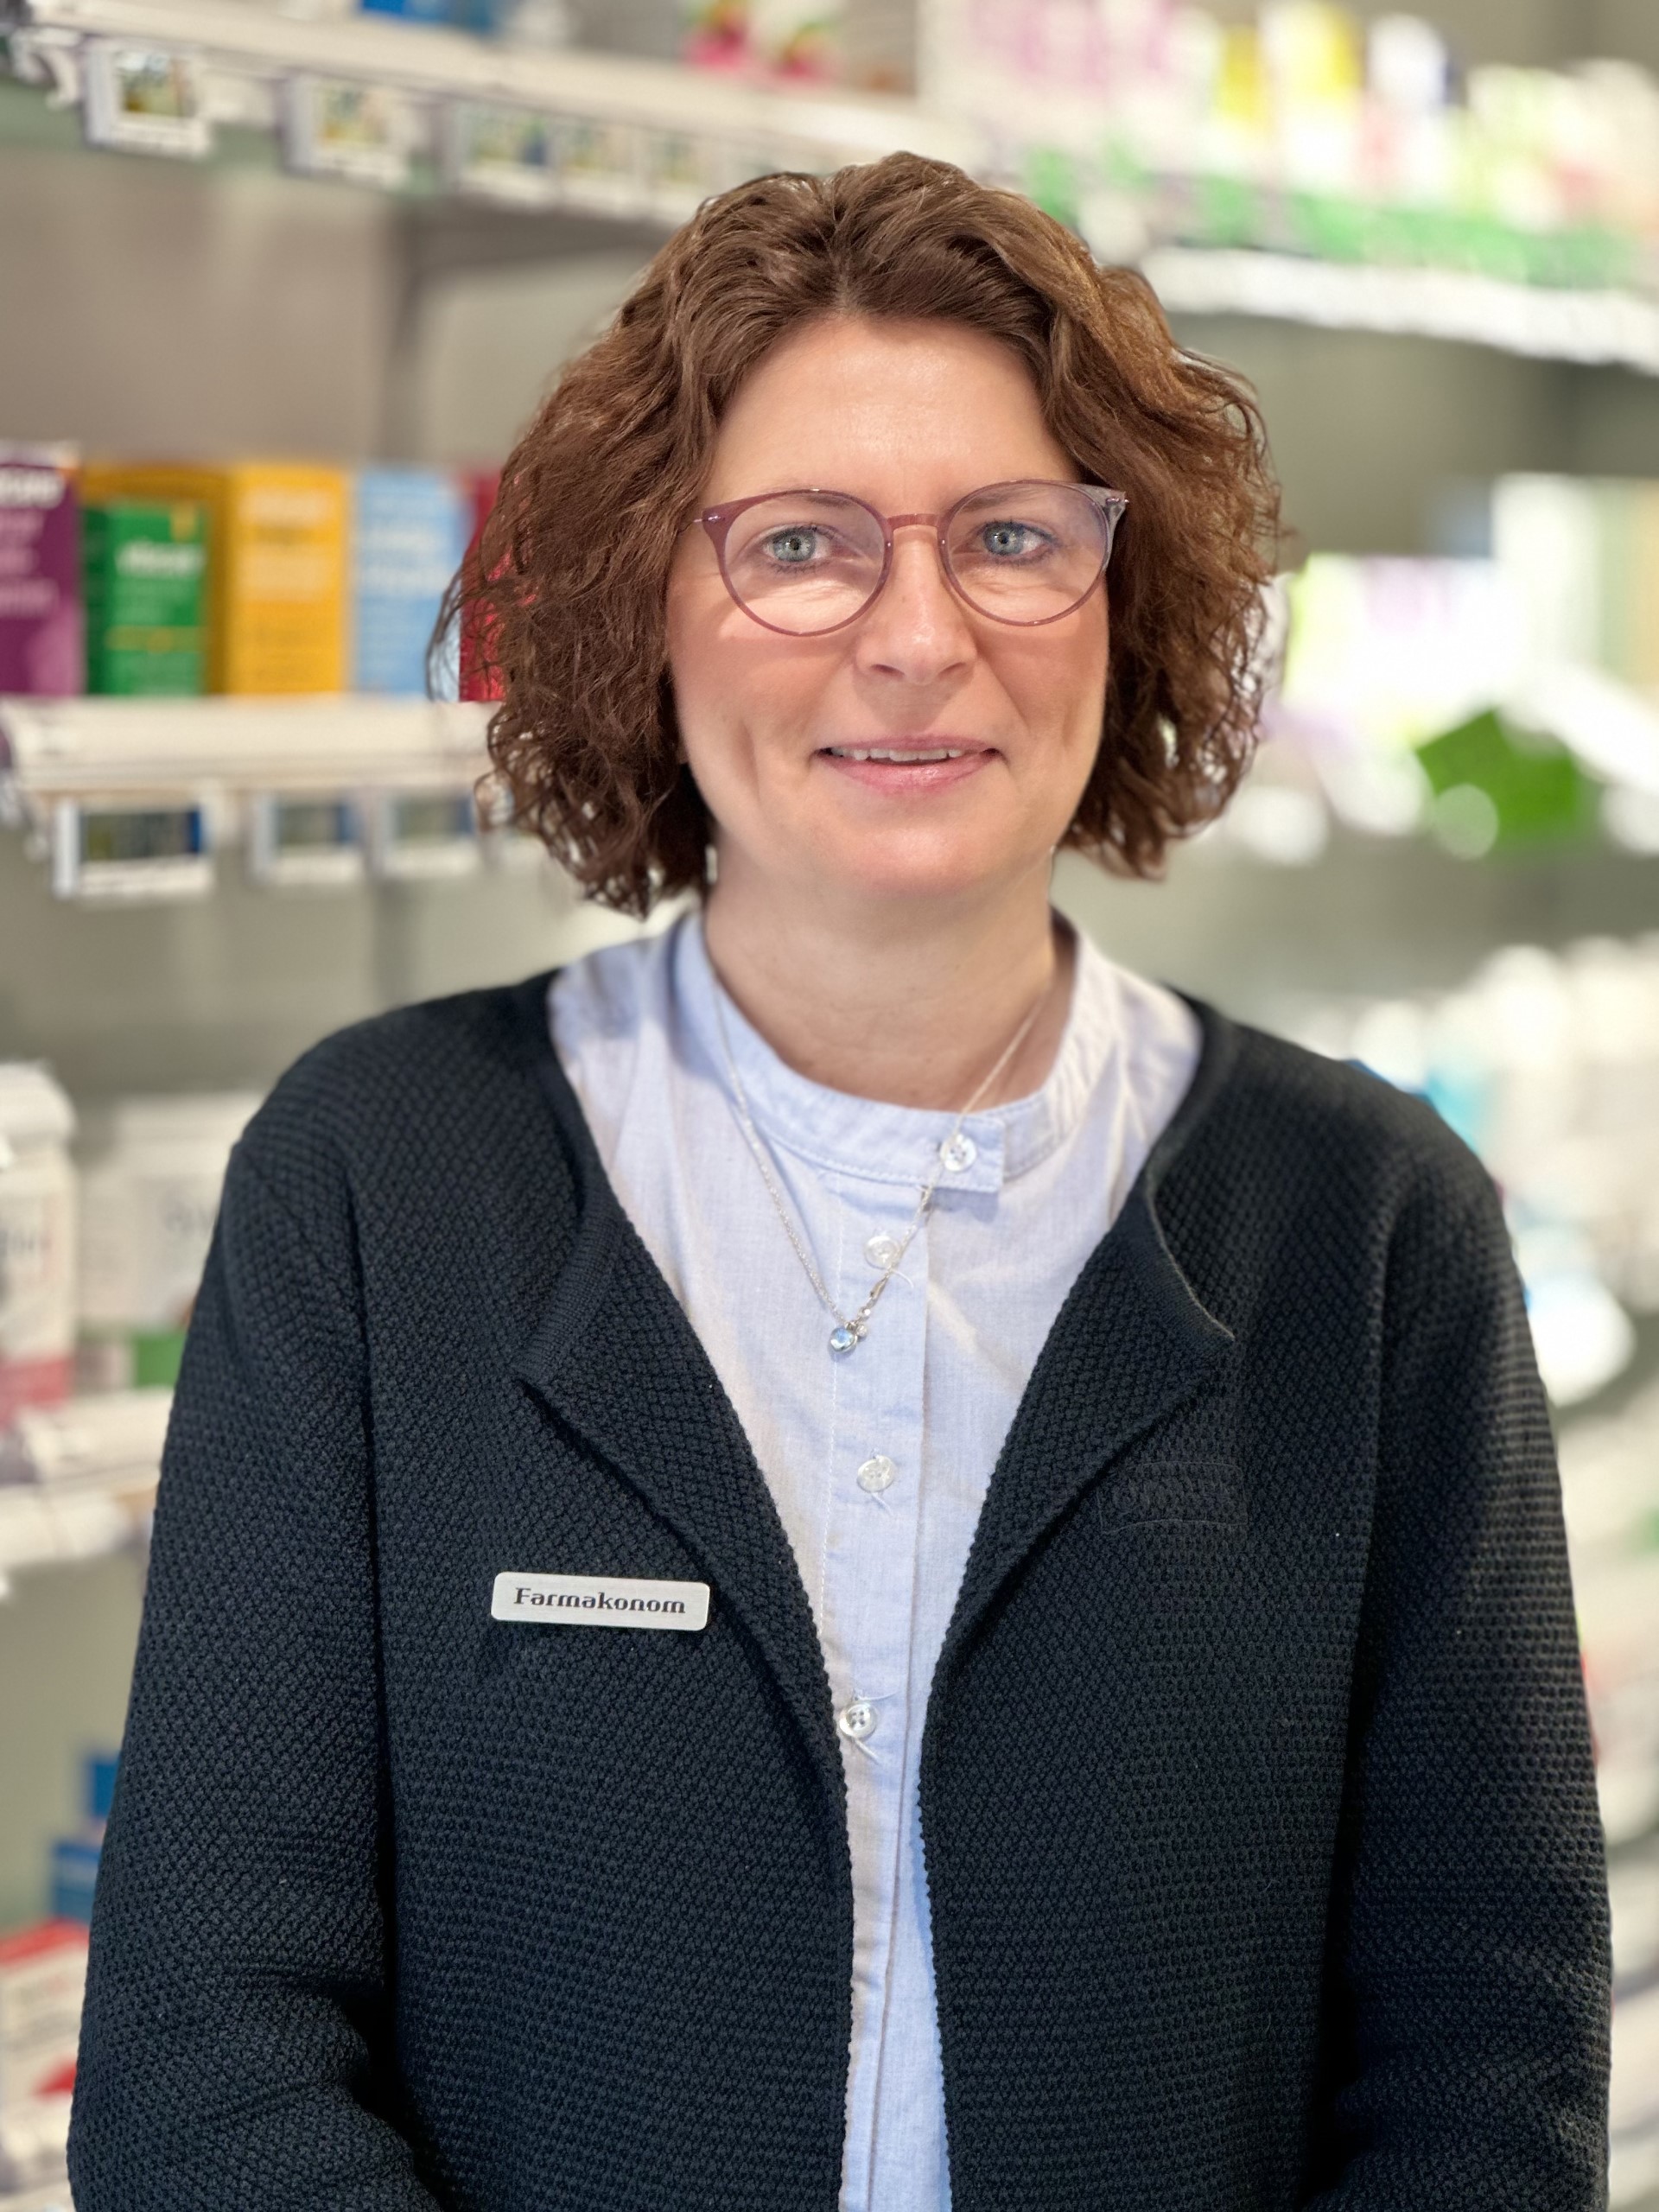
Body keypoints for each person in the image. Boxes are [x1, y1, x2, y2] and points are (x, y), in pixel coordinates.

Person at [69, 154, 1609, 2212]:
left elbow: (1488, 2069)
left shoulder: (1369, 1229)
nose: (917, 638)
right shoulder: (378, 1183)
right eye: (802, 543)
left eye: (1011, 538)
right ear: (643, 604)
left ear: (1128, 601)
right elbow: (204, 2060)